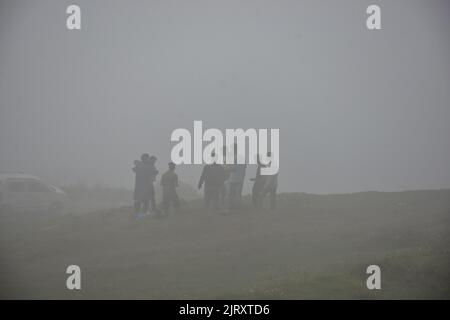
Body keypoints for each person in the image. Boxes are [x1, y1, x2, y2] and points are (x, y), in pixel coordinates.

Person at [132, 154, 159, 219]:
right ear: (144, 159)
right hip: (142, 187)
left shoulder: (143, 166)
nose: (148, 159)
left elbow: (134, 168)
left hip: (145, 187)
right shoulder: (144, 166)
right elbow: (153, 172)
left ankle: (140, 216)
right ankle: (138, 216)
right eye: (147, 158)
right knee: (140, 202)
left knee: (145, 202)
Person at [227, 143, 246, 209]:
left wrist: (226, 168)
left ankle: (231, 207)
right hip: (240, 179)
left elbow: (233, 169)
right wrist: (243, 178)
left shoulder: (233, 158)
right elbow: (244, 169)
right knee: (238, 194)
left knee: (230, 194)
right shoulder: (243, 158)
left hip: (233, 179)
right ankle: (238, 208)